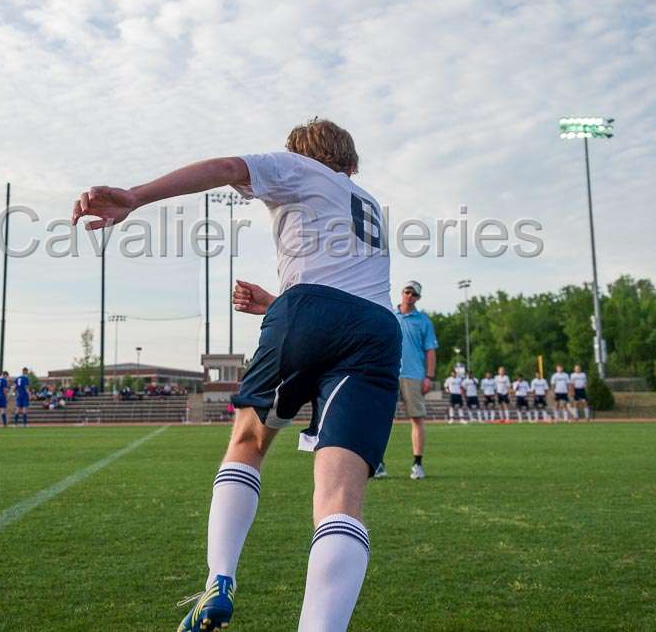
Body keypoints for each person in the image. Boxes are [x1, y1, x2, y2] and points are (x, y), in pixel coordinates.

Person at [72, 118, 398, 632]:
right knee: (340, 500)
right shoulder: (370, 202)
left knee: (248, 439)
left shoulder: (296, 166)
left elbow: (226, 168)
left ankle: (219, 580)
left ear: (300, 153)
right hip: (378, 332)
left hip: (310, 309)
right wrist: (281, 303)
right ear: (352, 165)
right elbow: (348, 290)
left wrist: (135, 196)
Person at [391, 280, 438, 479]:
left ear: (418, 298)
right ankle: (378, 463)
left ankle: (417, 464)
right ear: (402, 293)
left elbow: (430, 350)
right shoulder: (390, 314)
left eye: (414, 294)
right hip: (389, 373)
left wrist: (429, 376)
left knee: (417, 419)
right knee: (380, 419)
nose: (410, 295)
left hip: (414, 375)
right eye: (407, 291)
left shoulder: (424, 321)